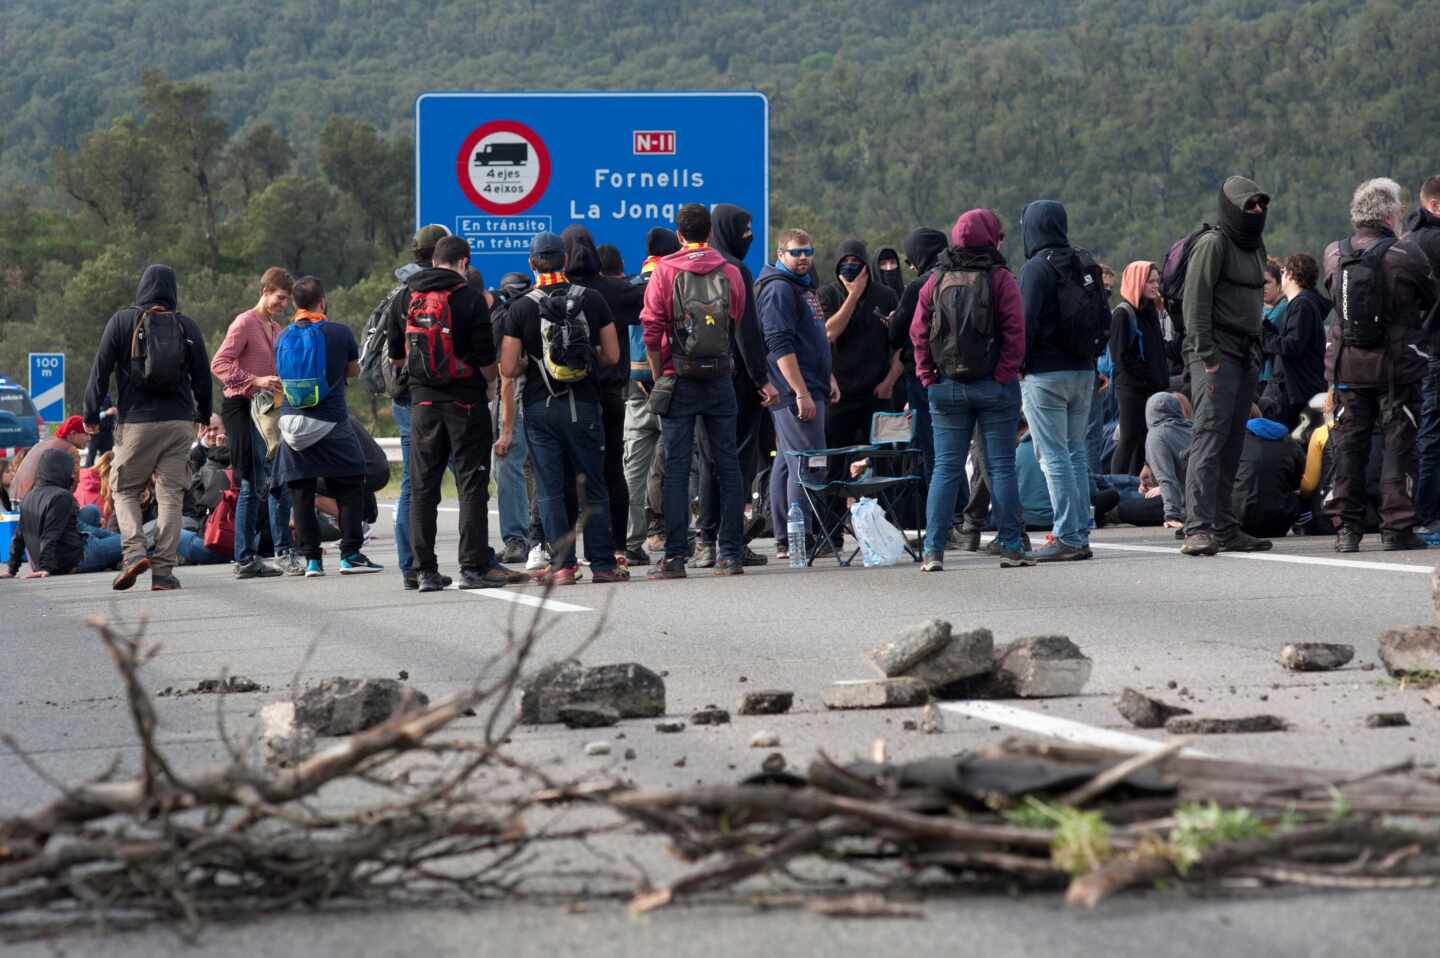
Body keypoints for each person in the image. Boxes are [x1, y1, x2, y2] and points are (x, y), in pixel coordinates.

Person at [499, 232, 628, 586]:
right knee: (595, 484)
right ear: (565, 262)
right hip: (585, 405)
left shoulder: (522, 307)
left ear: (532, 263)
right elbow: (613, 356)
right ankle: (603, 564)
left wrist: (531, 361)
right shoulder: (593, 299)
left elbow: (508, 368)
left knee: (550, 488)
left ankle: (563, 566)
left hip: (541, 408)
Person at [384, 235, 509, 592]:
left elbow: (396, 356)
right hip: (465, 402)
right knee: (471, 484)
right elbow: (486, 360)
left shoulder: (405, 296)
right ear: (464, 263)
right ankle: (472, 566)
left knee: (423, 487)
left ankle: (424, 571)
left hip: (421, 403)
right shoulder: (469, 298)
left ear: (434, 260)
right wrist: (486, 382)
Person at [909, 209, 1031, 570]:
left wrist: (927, 375)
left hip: (946, 387)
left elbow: (918, 332)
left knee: (946, 469)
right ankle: (1011, 544)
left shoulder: (936, 278)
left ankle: (933, 550)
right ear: (991, 237)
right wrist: (1004, 374)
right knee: (1001, 467)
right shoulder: (1000, 278)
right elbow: (1015, 333)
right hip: (994, 387)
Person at [1323, 177, 1439, 552]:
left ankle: (1347, 531)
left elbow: (1331, 293)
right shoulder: (1405, 255)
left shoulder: (1334, 254)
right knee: (1398, 445)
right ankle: (1396, 527)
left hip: (1346, 369)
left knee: (1349, 447)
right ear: (1390, 215)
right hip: (1396, 369)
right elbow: (1429, 295)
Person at [84, 264, 212, 592]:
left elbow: (99, 370)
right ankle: (164, 572)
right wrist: (203, 414)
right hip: (179, 422)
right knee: (169, 494)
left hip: (136, 423)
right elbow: (202, 377)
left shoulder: (122, 321)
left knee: (125, 489)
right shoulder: (186, 325)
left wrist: (91, 413)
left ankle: (134, 552)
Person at [640, 204, 751, 579]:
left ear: (680, 233)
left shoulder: (665, 271)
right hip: (720, 377)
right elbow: (735, 317)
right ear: (710, 231)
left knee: (676, 468)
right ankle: (730, 554)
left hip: (678, 376)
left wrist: (660, 373)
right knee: (728, 465)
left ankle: (674, 558)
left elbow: (651, 329)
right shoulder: (731, 271)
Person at [1179, 176, 1273, 556]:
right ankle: (1197, 528)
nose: (1257, 211)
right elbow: (1194, 303)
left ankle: (1224, 526)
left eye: (1261, 205)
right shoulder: (1213, 244)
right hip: (1216, 355)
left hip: (1246, 353)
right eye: (1249, 205)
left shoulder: (1254, 246)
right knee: (1209, 438)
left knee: (1233, 442)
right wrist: (1208, 356)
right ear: (1232, 207)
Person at [272, 276, 381, 578]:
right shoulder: (339, 332)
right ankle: (350, 555)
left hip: (290, 423)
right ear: (322, 301)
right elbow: (353, 370)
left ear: (294, 304)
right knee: (350, 484)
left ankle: (312, 561)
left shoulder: (282, 337)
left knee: (301, 491)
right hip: (330, 421)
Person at [1017, 200, 1107, 562]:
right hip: (1083, 370)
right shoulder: (1085, 263)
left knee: (1052, 455)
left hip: (1045, 373)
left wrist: (1019, 365)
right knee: (1074, 452)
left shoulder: (1036, 269)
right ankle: (1078, 529)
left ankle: (1068, 535)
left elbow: (1025, 323)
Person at [692, 203, 776, 568]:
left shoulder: (689, 268)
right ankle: (731, 542)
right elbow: (748, 334)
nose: (749, 236)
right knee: (736, 461)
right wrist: (763, 379)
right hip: (737, 381)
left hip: (697, 376)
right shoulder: (734, 270)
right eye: (744, 229)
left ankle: (704, 541)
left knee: (708, 459)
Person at [372, 224, 448, 589]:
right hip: (431, 394)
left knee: (410, 484)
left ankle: (409, 567)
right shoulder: (437, 290)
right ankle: (435, 563)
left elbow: (394, 351)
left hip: (402, 396)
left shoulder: (398, 292)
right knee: (443, 480)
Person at [210, 266, 300, 579]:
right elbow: (219, 363)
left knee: (279, 482)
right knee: (250, 483)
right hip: (240, 407)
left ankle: (283, 552)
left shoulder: (275, 328)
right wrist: (256, 380)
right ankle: (245, 558)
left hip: (269, 412)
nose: (283, 304)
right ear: (264, 291)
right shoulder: (245, 322)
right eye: (280, 297)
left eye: (287, 299)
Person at [758, 228, 839, 559]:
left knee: (788, 465)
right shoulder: (779, 290)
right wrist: (801, 392)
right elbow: (779, 345)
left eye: (808, 251)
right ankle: (799, 536)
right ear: (780, 254)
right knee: (808, 464)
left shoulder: (802, 286)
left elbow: (812, 339)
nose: (804, 257)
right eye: (796, 252)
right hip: (796, 393)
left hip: (809, 385)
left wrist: (827, 375)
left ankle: (785, 536)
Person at [563, 225, 636, 569]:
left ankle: (563, 555)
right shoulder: (613, 292)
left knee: (566, 475)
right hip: (610, 394)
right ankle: (616, 548)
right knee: (611, 474)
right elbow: (652, 304)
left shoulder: (554, 294)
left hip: (566, 396)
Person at [819, 238, 901, 536]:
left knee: (883, 463)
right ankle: (830, 531)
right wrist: (852, 296)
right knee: (834, 466)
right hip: (838, 396)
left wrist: (890, 380)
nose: (851, 268)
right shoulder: (827, 294)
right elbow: (828, 333)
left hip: (878, 393)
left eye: (857, 263)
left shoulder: (887, 295)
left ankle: (884, 528)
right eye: (845, 264)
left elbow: (900, 346)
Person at [621, 228, 682, 566]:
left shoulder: (628, 285)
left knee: (635, 469)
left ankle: (630, 542)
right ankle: (677, 541)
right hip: (672, 383)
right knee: (677, 466)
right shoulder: (676, 281)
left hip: (634, 388)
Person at [1, 448, 122, 579]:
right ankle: (118, 555)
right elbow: (51, 534)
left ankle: (113, 554)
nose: (72, 475)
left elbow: (19, 536)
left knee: (91, 511)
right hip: (74, 558)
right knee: (130, 542)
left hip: (48, 559)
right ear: (62, 471)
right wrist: (45, 567)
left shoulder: (29, 497)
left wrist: (12, 569)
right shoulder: (61, 496)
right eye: (70, 470)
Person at [1108, 262, 1169, 476]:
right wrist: (1146, 376)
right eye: (1150, 281)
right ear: (1138, 282)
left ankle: (1134, 488)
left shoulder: (1150, 311)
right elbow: (1120, 357)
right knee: (1128, 439)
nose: (1155, 285)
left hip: (1152, 389)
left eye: (1156, 281)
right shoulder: (1123, 315)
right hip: (1133, 391)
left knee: (1144, 441)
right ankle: (1116, 484)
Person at [490, 271, 534, 565]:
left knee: (507, 468)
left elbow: (505, 378)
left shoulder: (504, 319)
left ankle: (517, 539)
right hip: (551, 402)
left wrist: (504, 430)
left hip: (515, 404)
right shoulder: (544, 309)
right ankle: (544, 537)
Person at [1405, 176, 1440, 530]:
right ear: (1436, 206)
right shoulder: (1434, 242)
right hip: (1436, 349)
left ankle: (1423, 512)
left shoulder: (1408, 240)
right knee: (1432, 434)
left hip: (1419, 349)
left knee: (1425, 431)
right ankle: (1429, 516)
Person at [1259, 253, 1327, 429]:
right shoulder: (1302, 303)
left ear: (1290, 274)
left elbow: (1292, 345)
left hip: (1298, 393)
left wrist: (1263, 338)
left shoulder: (1302, 305)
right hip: (1303, 391)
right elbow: (1290, 338)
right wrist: (1265, 327)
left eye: (1282, 271)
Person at [1234, 414, 1305, 537]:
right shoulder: (1290, 442)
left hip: (1239, 520)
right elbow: (1297, 482)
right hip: (1279, 521)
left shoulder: (1234, 440)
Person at [7, 414, 88, 503]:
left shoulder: (45, 443)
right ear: (73, 433)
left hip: (16, 499)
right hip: (39, 504)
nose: (89, 438)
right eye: (86, 434)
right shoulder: (70, 450)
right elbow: (74, 483)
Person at [1145, 391, 1193, 530]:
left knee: (1125, 507)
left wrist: (1171, 515)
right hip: (1198, 499)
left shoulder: (1157, 435)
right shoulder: (1191, 427)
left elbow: (1166, 478)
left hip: (1180, 502)